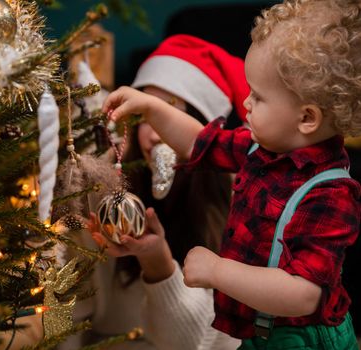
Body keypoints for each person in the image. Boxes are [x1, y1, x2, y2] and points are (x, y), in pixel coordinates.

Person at [102, 0, 361, 348]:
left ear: (307, 118)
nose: (246, 104)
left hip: (300, 339)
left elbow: (303, 294)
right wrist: (153, 108)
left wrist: (218, 271)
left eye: (258, 96)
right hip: (257, 330)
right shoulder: (260, 149)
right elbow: (198, 143)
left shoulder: (330, 194)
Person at [64, 35, 247, 350]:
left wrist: (158, 263)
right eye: (143, 116)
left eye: (168, 114)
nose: (152, 133)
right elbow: (72, 302)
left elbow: (217, 342)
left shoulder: (241, 200)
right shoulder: (100, 186)